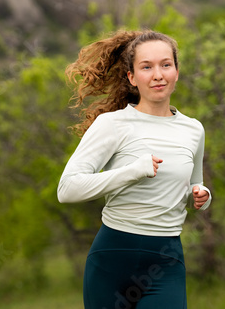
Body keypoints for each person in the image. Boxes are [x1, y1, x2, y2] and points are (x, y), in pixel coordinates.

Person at [57, 29, 212, 309]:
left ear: (176, 71)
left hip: (166, 260)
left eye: (166, 64)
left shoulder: (193, 129)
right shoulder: (112, 125)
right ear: (131, 77)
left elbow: (192, 188)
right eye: (146, 67)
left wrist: (200, 195)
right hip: (112, 260)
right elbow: (67, 189)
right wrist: (133, 170)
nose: (158, 75)